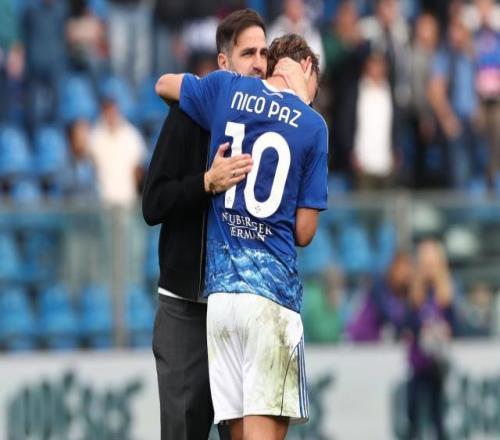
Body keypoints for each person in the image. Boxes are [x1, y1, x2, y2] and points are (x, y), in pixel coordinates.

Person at [143, 9, 308, 440]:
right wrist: (205, 182)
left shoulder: (276, 126)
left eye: (264, 54)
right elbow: (153, 203)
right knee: (184, 431)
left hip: (241, 305)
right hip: (188, 305)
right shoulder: (189, 115)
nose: (258, 63)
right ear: (223, 63)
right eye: (247, 53)